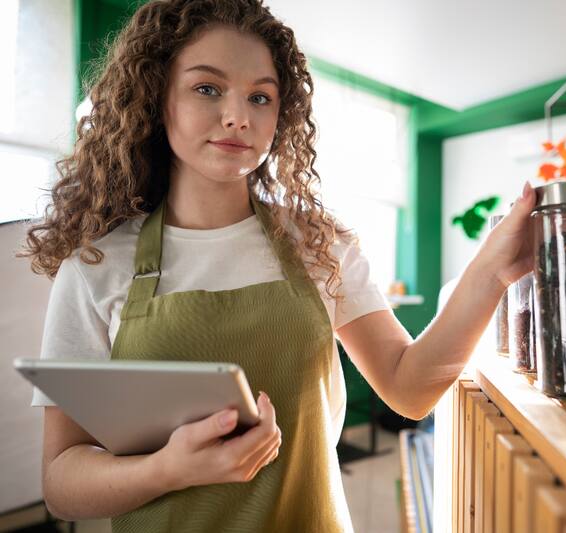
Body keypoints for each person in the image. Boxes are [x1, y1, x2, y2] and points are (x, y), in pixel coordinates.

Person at [18, 1, 536, 531]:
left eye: (260, 96)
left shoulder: (319, 245)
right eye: (207, 88)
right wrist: (166, 470)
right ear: (155, 99)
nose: (239, 116)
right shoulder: (96, 267)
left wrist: (492, 271)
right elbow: (62, 485)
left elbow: (411, 388)